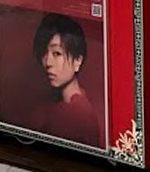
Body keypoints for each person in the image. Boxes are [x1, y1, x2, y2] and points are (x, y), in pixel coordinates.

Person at [29, 13, 102, 147]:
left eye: (57, 53)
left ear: (77, 61)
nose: (48, 62)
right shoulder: (62, 105)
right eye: (44, 53)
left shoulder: (77, 115)